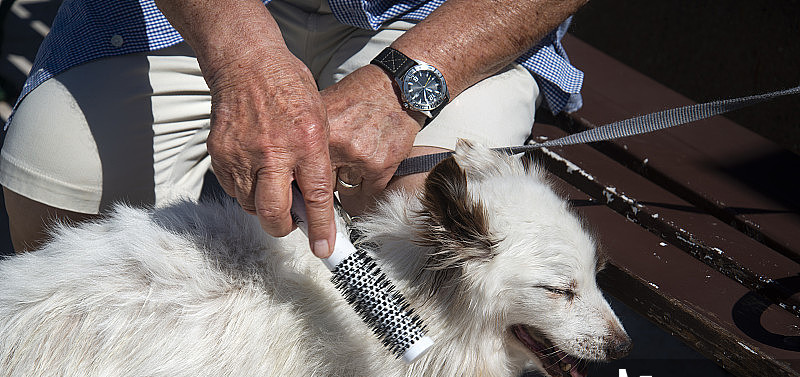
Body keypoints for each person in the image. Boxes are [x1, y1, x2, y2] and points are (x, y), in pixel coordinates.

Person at [1, 0, 586, 256]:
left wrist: (405, 85)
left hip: (442, 18)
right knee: (62, 172)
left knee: (436, 214)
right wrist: (243, 56)